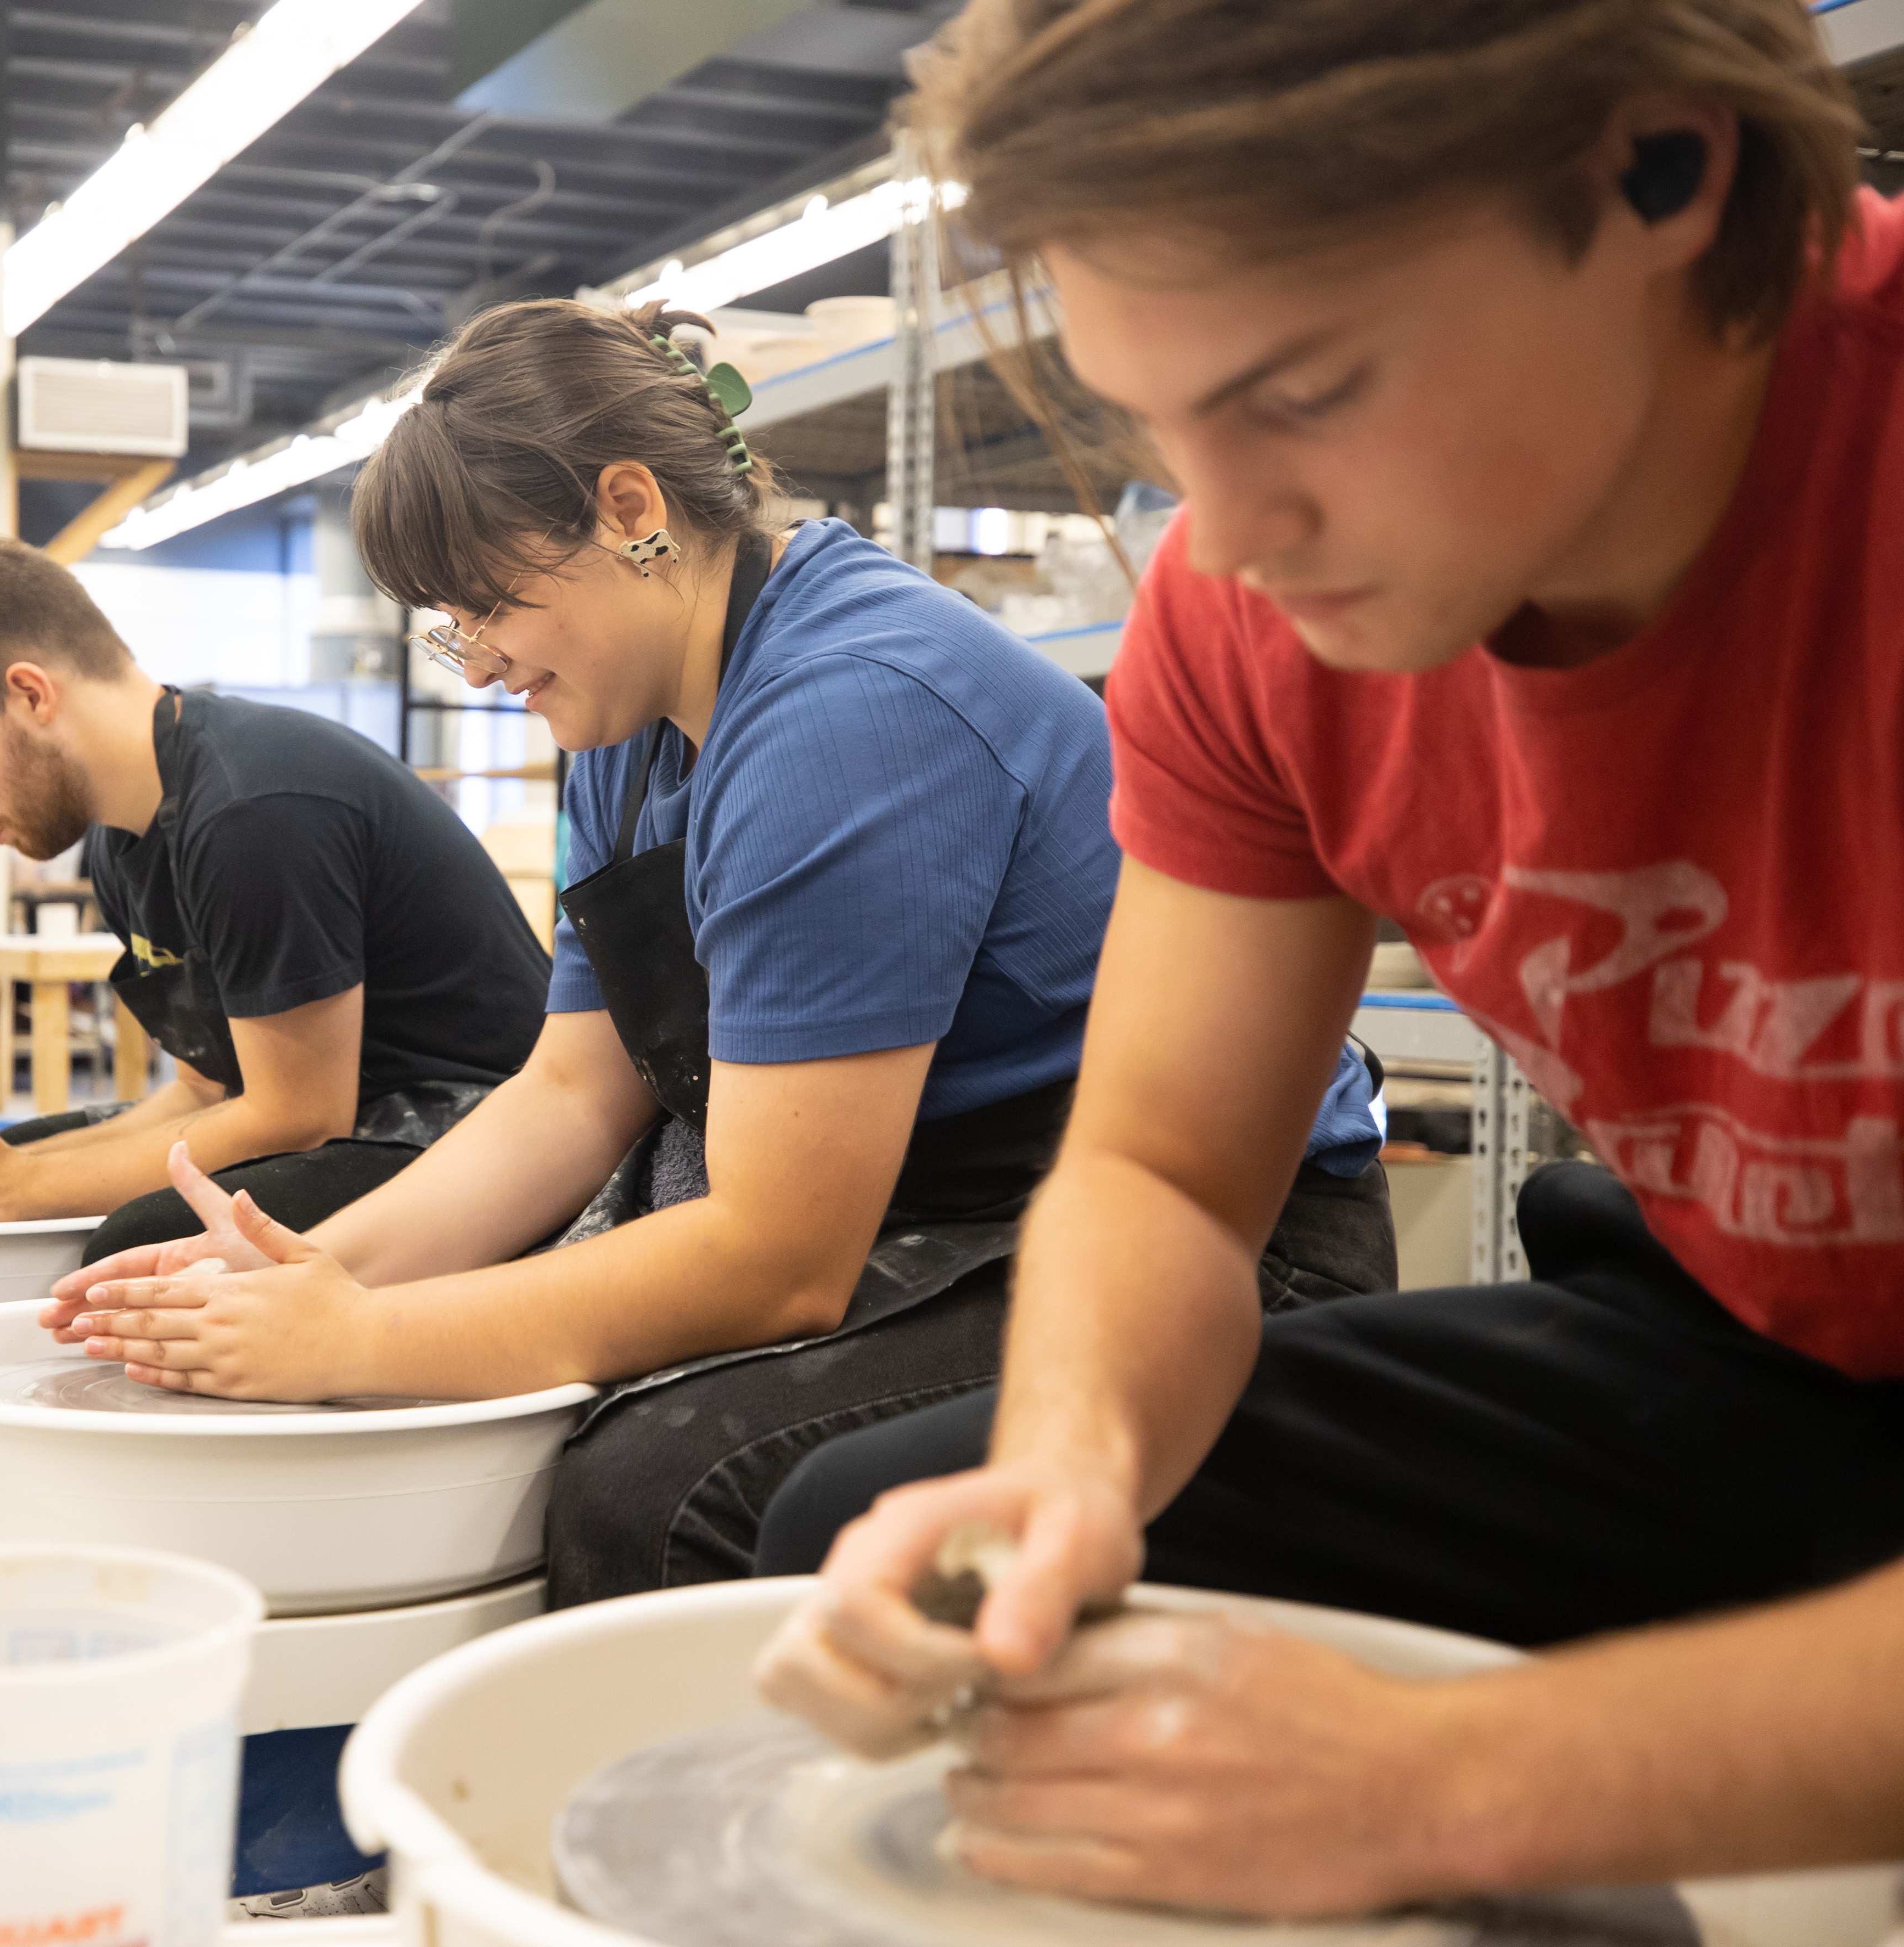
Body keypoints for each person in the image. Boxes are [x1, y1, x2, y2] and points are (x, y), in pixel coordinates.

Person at [748, 0, 1904, 1919]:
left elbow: (1442, 1783)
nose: (1228, 530)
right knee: (886, 1554)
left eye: (1301, 392)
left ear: (1661, 166)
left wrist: (1446, 1779)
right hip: (1762, 1347)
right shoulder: (1244, 613)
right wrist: (1068, 1468)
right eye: (1153, 420)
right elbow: (1169, 1172)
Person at [35, 299, 1392, 1607]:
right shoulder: (617, 721)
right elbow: (569, 1094)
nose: (484, 664)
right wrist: (314, 1269)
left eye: (489, 605)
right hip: (941, 1201)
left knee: (658, 1480)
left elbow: (777, 1253)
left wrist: (366, 1337)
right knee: (462, 1364)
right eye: (452, 628)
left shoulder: (848, 710)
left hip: (1220, 1240)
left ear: (631, 511)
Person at [0, 532, 553, 1253]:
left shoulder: (252, 811)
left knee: (127, 1240)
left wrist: (16, 1187)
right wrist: (5, 1170)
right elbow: (202, 1093)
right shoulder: (122, 842)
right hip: (352, 1119)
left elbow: (297, 1119)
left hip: (486, 1128)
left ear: (30, 695)